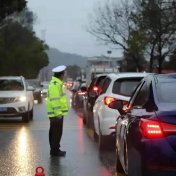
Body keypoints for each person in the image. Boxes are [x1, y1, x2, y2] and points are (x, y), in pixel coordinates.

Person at [47, 65, 69, 156]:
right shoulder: (55, 85)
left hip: (56, 114)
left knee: (54, 131)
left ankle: (54, 149)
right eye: (63, 74)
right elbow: (55, 100)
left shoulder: (56, 84)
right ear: (61, 75)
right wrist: (58, 113)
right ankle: (55, 150)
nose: (64, 76)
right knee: (56, 133)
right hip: (56, 114)